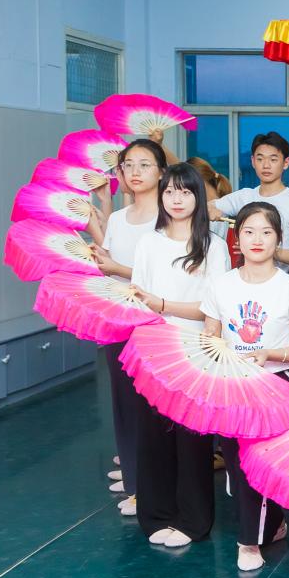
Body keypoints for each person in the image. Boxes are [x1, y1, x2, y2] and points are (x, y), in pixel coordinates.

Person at [200, 202, 289, 572]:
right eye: (249, 231)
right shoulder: (221, 285)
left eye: (266, 232)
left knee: (259, 464)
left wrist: (269, 354)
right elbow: (210, 336)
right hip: (232, 385)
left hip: (276, 384)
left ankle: (248, 543)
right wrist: (214, 347)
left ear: (278, 239)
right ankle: (273, 523)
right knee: (237, 468)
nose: (257, 239)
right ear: (237, 237)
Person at [129, 163, 229, 548]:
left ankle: (193, 521)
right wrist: (150, 312)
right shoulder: (148, 242)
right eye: (170, 191)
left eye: (185, 191)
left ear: (198, 197)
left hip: (195, 354)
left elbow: (213, 308)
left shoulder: (213, 245)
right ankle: (156, 515)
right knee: (153, 436)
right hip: (153, 350)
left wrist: (163, 304)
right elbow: (137, 297)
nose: (176, 199)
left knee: (192, 442)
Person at [92, 138, 168, 517]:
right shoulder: (119, 218)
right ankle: (136, 485)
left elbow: (167, 275)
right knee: (123, 403)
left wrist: (118, 269)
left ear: (161, 172)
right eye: (128, 165)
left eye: (144, 164)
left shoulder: (169, 218)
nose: (135, 172)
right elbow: (107, 263)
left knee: (154, 407)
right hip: (119, 318)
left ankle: (159, 486)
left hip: (157, 322)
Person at [208, 131, 289, 270]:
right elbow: (203, 207)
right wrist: (211, 210)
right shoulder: (244, 196)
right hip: (244, 277)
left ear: (286, 163)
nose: (266, 165)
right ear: (253, 161)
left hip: (280, 279)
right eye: (260, 159)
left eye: (273, 159)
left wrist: (270, 250)